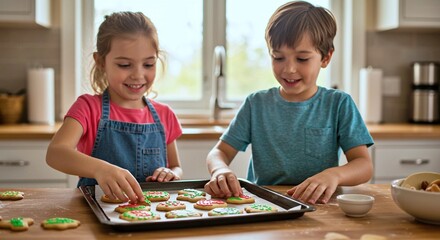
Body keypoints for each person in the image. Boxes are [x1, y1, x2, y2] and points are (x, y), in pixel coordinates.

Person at [204, 1, 374, 204]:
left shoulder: (339, 104)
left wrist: (333, 175)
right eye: (278, 57)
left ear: (326, 57)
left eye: (302, 59)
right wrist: (220, 169)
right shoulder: (256, 104)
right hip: (265, 205)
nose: (289, 69)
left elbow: (364, 164)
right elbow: (219, 152)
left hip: (320, 205)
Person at [46, 12, 183, 203]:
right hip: (95, 215)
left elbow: (176, 166)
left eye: (148, 64)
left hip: (150, 217)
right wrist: (100, 169)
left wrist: (170, 173)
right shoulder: (88, 107)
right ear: (101, 62)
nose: (138, 74)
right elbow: (55, 153)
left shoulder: (165, 115)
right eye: (125, 65)